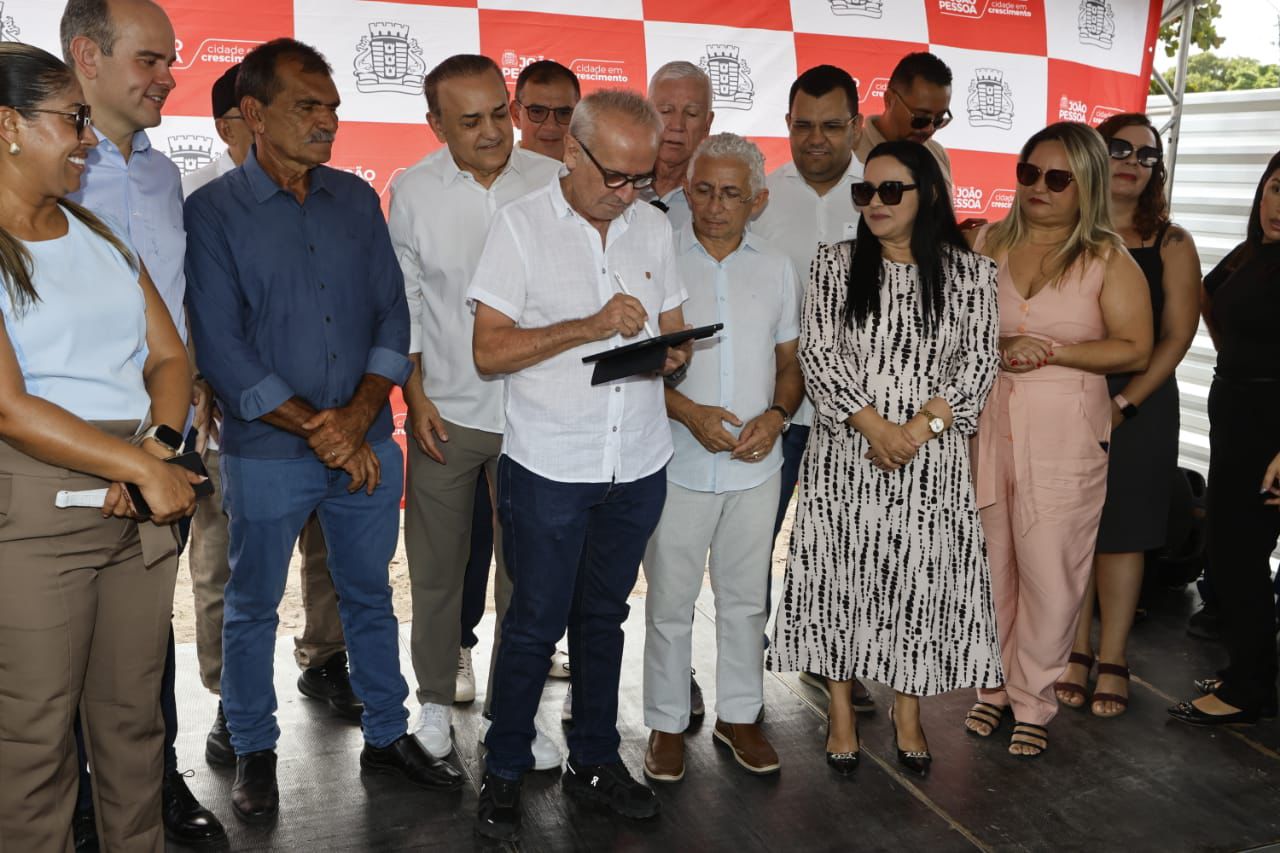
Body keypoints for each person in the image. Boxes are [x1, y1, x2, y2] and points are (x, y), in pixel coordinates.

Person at [184, 38, 463, 825]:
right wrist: (321, 429)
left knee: (369, 594)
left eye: (333, 107)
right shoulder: (212, 212)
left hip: (363, 444)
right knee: (251, 604)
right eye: (307, 106)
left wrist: (356, 419)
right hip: (269, 451)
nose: (328, 121)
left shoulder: (356, 200)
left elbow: (391, 315)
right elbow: (222, 350)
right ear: (253, 113)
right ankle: (254, 745)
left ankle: (387, 733)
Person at [466, 89, 690, 842]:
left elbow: (674, 329)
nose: (628, 193)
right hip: (550, 467)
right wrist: (590, 327)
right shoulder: (520, 227)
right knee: (533, 623)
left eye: (641, 178)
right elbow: (489, 350)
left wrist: (674, 353)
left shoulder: (652, 227)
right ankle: (503, 769)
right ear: (571, 151)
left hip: (639, 460)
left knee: (604, 618)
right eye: (615, 176)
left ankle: (593, 758)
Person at [0, 41, 202, 852]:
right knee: (34, 743)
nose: (88, 137)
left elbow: (170, 359)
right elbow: (9, 406)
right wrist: (139, 466)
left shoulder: (101, 233)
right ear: (8, 126)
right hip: (36, 515)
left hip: (136, 507)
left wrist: (155, 447)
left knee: (134, 728)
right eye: (72, 118)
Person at [768, 140, 1003, 777]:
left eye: (891, 190)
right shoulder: (835, 263)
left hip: (930, 463)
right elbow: (819, 355)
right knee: (839, 579)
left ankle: (908, 711)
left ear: (929, 194)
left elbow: (978, 364)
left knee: (917, 585)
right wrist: (876, 428)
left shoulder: (972, 274)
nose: (874, 202)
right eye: (864, 191)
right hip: (847, 454)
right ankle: (841, 712)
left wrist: (916, 431)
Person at [59, 0, 225, 845]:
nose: (169, 76)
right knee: (56, 634)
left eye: (171, 59)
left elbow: (172, 298)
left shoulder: (164, 176)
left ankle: (153, 784)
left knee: (145, 627)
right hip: (63, 438)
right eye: (150, 60)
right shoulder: (36, 168)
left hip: (165, 434)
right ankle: (70, 800)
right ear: (87, 57)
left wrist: (192, 384)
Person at [183, 61, 360, 774]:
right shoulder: (197, 199)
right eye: (298, 109)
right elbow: (194, 315)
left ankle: (326, 658)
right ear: (237, 121)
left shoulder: (333, 198)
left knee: (331, 554)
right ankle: (234, 700)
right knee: (227, 566)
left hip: (329, 416)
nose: (317, 125)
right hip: (233, 418)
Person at [388, 53, 561, 768]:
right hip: (448, 415)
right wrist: (414, 394)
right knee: (436, 571)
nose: (492, 132)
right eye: (470, 121)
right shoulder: (413, 190)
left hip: (538, 416)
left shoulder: (554, 181)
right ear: (435, 124)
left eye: (498, 114)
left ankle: (511, 715)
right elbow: (405, 301)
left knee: (527, 576)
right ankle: (433, 703)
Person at [964, 122, 1152, 757]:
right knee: (990, 568)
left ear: (1087, 185)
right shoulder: (986, 243)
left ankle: (1034, 702)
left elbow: (1136, 347)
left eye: (1056, 178)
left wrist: (1051, 352)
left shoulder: (1108, 258)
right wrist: (999, 345)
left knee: (1052, 574)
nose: (1037, 187)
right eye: (1028, 173)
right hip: (989, 427)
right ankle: (992, 688)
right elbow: (958, 331)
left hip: (1066, 433)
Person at [642, 133, 801, 783]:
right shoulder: (655, 261)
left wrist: (777, 416)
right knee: (669, 601)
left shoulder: (777, 267)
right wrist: (689, 413)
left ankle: (741, 716)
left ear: (757, 201)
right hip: (674, 461)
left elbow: (790, 363)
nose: (714, 206)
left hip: (756, 465)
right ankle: (665, 723)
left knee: (746, 599)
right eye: (703, 190)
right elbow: (634, 368)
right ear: (685, 191)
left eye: (731, 193)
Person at [1055, 113, 1201, 719]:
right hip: (1068, 394)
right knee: (1075, 529)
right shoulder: (1065, 232)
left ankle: (1114, 656)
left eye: (1147, 155)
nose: (1133, 162)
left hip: (1141, 402)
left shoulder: (1171, 242)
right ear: (1095, 154)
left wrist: (1124, 402)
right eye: (1119, 148)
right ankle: (1076, 650)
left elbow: (1178, 336)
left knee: (1124, 533)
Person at [752, 63, 876, 713]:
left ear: (857, 125)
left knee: (845, 545)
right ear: (788, 124)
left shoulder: (885, 195)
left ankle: (832, 662)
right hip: (776, 405)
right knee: (754, 539)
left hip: (859, 410)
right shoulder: (761, 199)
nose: (816, 139)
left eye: (831, 125)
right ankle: (742, 665)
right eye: (803, 125)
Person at [1168, 150, 1280, 727]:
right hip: (1236, 412)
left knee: (1239, 556)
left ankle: (1248, 691)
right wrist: (1234, 351)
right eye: (1277, 188)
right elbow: (1210, 298)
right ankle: (1251, 672)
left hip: (1271, 427)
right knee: (1233, 551)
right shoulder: (1250, 253)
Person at [854, 52, 954, 189]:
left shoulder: (938, 154)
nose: (929, 129)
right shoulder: (848, 154)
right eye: (920, 118)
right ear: (889, 100)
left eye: (938, 120)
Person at [641, 61, 714, 229]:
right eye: (666, 111)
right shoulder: (616, 183)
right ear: (647, 114)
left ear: (707, 124)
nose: (677, 125)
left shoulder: (717, 201)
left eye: (691, 114)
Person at [511, 59, 579, 162]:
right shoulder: (494, 172)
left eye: (563, 113)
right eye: (537, 112)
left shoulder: (595, 171)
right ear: (516, 115)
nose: (551, 126)